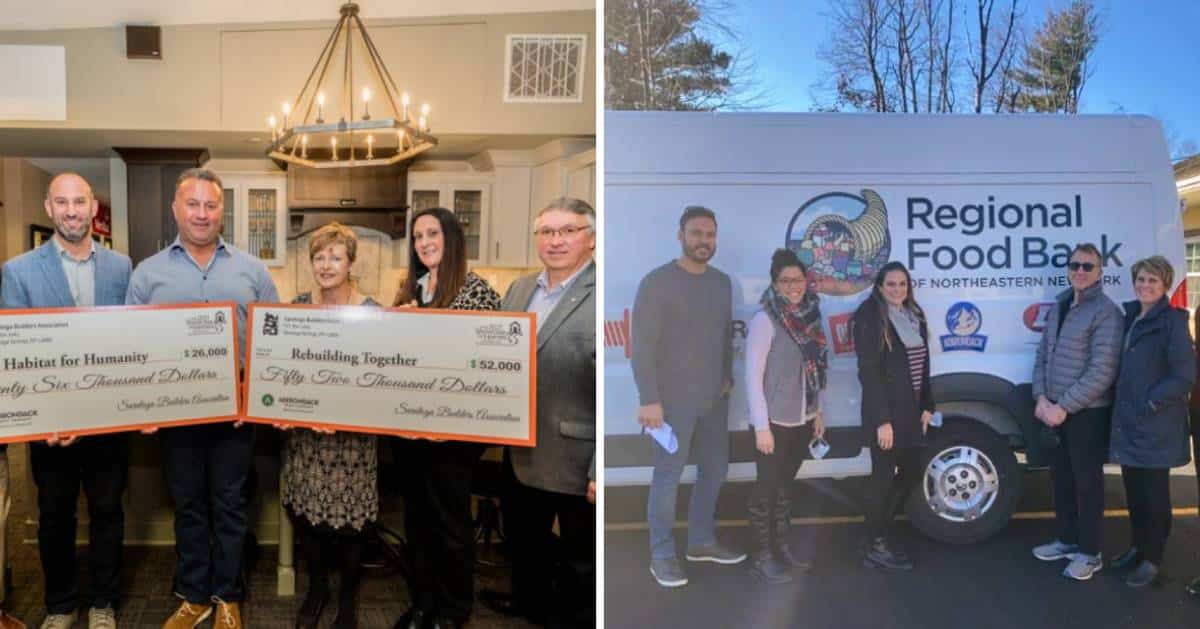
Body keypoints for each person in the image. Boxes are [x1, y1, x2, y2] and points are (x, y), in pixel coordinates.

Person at [126, 168, 280, 629]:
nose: (201, 213)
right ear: (176, 210)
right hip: (177, 414)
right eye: (192, 204)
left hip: (235, 412)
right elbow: (131, 348)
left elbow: (272, 338)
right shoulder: (146, 274)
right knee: (189, 504)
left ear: (222, 212)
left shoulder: (252, 270)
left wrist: (252, 396)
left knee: (230, 504)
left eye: (210, 205)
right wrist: (144, 407)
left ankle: (228, 596)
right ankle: (194, 595)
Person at [1, 172, 132, 629]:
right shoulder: (17, 272)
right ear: (48, 206)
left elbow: (132, 345)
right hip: (49, 427)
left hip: (109, 424)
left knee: (107, 513)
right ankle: (59, 605)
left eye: (80, 201)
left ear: (94, 206)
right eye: (62, 202)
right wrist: (46, 418)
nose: (72, 211)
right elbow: (18, 352)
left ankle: (102, 602)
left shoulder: (122, 267)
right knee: (54, 515)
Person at [479, 198, 596, 627]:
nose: (556, 240)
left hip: (577, 455)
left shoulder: (601, 293)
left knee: (582, 561)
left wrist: (602, 466)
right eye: (547, 232)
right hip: (520, 447)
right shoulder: (520, 289)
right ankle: (531, 606)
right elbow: (493, 353)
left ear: (592, 238)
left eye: (568, 230)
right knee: (526, 544)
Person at [390, 207, 501, 629]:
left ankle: (453, 611)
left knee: (451, 524)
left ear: (451, 238)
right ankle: (422, 602)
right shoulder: (411, 288)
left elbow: (486, 363)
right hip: (411, 431)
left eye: (432, 233)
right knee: (416, 522)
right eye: (418, 236)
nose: (424, 243)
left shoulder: (477, 291)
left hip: (454, 436)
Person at [633, 205, 742, 589]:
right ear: (681, 236)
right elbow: (643, 345)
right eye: (696, 234)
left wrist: (726, 375)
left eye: (710, 235)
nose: (704, 241)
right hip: (671, 403)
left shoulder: (721, 282)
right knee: (668, 476)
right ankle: (661, 554)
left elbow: (724, 333)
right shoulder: (657, 282)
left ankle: (701, 542)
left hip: (714, 399)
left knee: (716, 470)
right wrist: (650, 399)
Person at [281, 223, 379, 629]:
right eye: (319, 257)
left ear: (351, 262)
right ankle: (317, 589)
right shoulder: (296, 307)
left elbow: (380, 375)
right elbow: (284, 370)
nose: (326, 265)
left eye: (335, 257)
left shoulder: (374, 312)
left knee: (352, 527)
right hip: (308, 439)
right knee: (309, 520)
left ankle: (348, 600)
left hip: (354, 442)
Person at [1030, 243, 1122, 581]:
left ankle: (1090, 552)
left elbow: (1103, 370)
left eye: (1088, 266)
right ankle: (1067, 540)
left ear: (1100, 271)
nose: (1080, 271)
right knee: (1062, 481)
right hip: (1053, 409)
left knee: (1088, 485)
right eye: (1075, 265)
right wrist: (1040, 397)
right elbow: (1042, 356)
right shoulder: (1061, 303)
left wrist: (1063, 407)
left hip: (1085, 413)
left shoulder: (1106, 312)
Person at [1108, 256, 1194, 588]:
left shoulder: (1172, 321)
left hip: (1156, 423)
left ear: (1165, 286)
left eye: (1153, 281)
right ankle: (1138, 547)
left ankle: (1153, 559)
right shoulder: (1130, 317)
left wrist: (1150, 402)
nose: (1145, 285)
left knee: (1155, 496)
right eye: (1141, 279)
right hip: (1130, 421)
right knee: (1134, 492)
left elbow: (1184, 375)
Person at [744, 248, 828, 584]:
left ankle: (781, 547)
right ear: (775, 283)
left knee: (784, 487)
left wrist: (818, 411)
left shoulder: (812, 314)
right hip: (774, 422)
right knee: (765, 489)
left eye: (798, 279)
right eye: (786, 280)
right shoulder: (765, 319)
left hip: (802, 419)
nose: (794, 286)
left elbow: (819, 368)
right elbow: (753, 376)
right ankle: (762, 555)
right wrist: (761, 428)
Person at [852, 261, 933, 571]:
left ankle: (876, 531)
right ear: (879, 286)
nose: (897, 290)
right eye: (891, 284)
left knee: (911, 472)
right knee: (883, 479)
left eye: (902, 284)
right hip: (885, 415)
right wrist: (881, 420)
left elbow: (924, 366)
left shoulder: (915, 316)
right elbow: (868, 372)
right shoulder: (870, 316)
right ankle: (875, 544)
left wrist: (928, 405)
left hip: (912, 414)